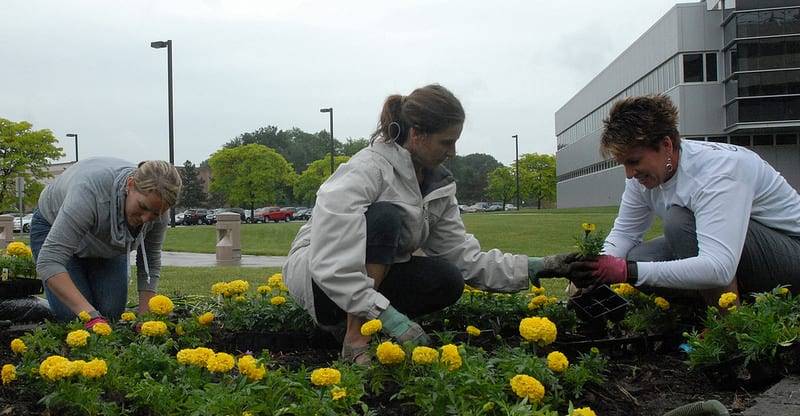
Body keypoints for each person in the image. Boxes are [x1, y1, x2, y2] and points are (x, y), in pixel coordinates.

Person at [283, 84, 575, 363]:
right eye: (446, 142)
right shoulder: (367, 169)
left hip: (357, 281)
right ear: (417, 134)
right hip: (318, 278)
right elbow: (331, 261)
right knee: (385, 217)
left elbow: (464, 257)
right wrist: (389, 318)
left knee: (447, 279)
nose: (453, 152)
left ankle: (353, 322)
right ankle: (355, 339)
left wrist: (537, 266)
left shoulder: (438, 186)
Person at [568, 95, 800, 305]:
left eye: (634, 161)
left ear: (666, 145)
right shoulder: (642, 179)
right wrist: (596, 268)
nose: (629, 174)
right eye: (624, 164)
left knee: (680, 223)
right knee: (642, 257)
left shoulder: (718, 171)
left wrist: (626, 272)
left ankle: (729, 327)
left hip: (791, 254)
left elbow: (719, 268)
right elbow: (625, 234)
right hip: (743, 255)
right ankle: (699, 313)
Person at [30, 158, 182, 327]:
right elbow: (49, 262)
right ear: (130, 185)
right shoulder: (89, 192)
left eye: (154, 213)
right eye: (142, 207)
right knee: (74, 317)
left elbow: (150, 263)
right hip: (52, 225)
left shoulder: (158, 210)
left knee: (111, 314)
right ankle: (45, 307)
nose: (146, 219)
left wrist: (144, 318)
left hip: (105, 241)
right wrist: (91, 316)